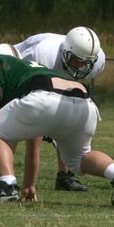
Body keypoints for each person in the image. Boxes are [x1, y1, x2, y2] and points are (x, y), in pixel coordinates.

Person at [0, 51, 114, 205]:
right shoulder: (31, 71)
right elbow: (32, 143)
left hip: (45, 97)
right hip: (85, 103)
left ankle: (6, 187)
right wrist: (29, 185)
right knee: (80, 159)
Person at [15, 27, 105, 192]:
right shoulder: (42, 54)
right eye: (77, 60)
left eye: (85, 62)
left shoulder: (94, 60)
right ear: (66, 53)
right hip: (24, 70)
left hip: (53, 72)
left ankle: (65, 175)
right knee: (29, 130)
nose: (81, 66)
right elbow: (35, 93)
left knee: (70, 121)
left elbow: (76, 86)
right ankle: (5, 178)